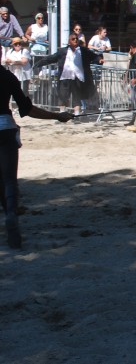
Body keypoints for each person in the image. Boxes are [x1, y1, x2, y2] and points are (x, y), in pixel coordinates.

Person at [1, 45, 72, 248]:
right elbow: (27, 108)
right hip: (5, 127)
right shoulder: (8, 78)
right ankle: (11, 216)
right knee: (8, 180)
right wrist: (57, 116)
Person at [35, 33, 101, 116]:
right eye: (73, 39)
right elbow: (52, 58)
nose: (75, 40)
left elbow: (94, 56)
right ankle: (62, 114)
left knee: (77, 97)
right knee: (63, 96)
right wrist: (39, 63)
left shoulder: (83, 51)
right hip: (65, 77)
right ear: (69, 42)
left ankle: (76, 115)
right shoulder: (63, 51)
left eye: (76, 39)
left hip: (78, 78)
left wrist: (99, 59)